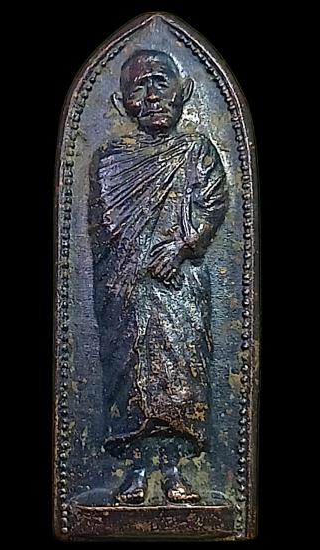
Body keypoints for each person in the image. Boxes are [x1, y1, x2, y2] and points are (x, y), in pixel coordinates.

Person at [88, 49, 228, 504]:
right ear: (123, 102)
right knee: (129, 374)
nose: (151, 96)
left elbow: (213, 202)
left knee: (182, 373)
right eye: (139, 87)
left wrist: (183, 246)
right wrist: (137, 263)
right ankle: (135, 470)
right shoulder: (109, 159)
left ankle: (174, 470)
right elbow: (106, 222)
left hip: (178, 288)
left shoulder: (196, 150)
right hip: (126, 288)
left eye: (159, 82)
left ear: (181, 91)